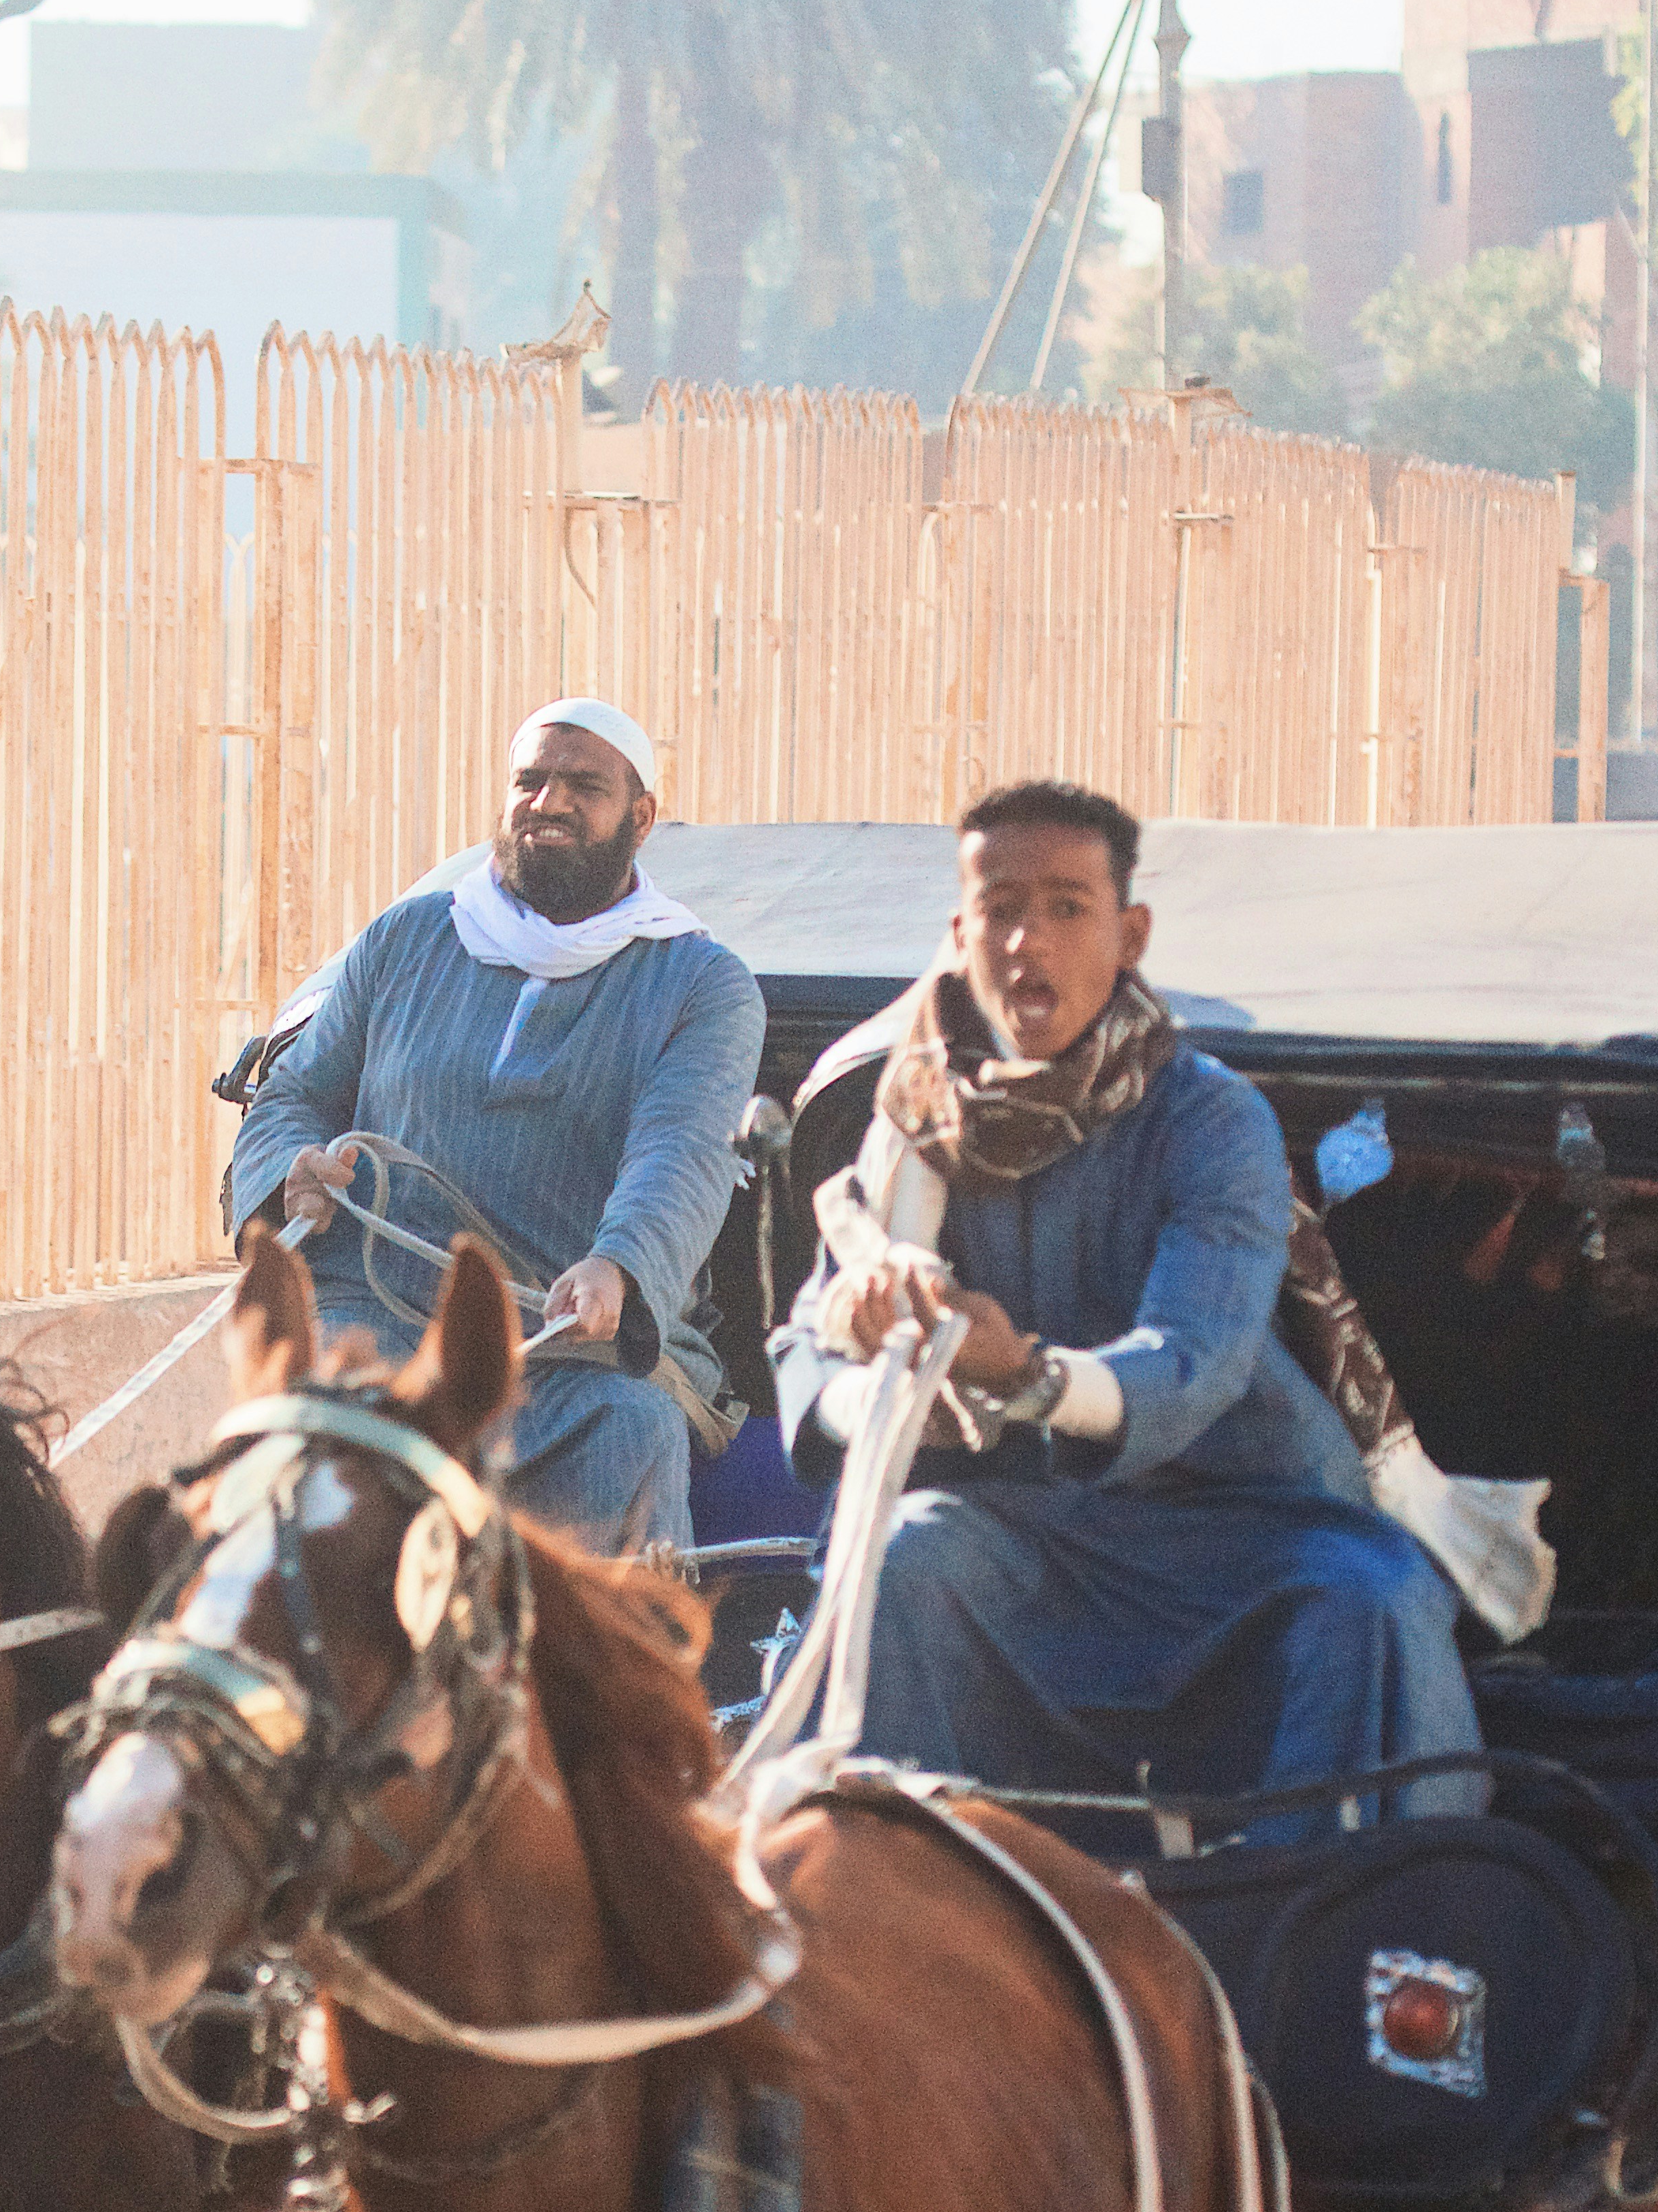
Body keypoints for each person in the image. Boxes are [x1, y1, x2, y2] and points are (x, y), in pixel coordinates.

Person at [771, 779, 1480, 1826]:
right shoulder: (910, 1119)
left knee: (1364, 1602)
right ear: (961, 931)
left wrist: (1029, 1375)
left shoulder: (1211, 1121)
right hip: (1018, 1531)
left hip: (1238, 1529)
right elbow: (805, 1349)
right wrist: (872, 1364)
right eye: (1001, 910)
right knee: (902, 1556)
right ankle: (931, 1899)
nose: (1028, 942)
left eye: (1066, 907)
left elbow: (1196, 1362)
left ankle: (1316, 1932)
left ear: (1130, 934)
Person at [231, 701, 764, 1552]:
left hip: (567, 1353)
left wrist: (621, 1264)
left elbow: (681, 1151)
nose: (548, 802)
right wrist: (288, 1167)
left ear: (641, 817)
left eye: (583, 786)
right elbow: (292, 1096)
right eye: (531, 781)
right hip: (378, 1322)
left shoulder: (703, 984)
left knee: (632, 1432)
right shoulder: (405, 939)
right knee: (303, 1438)